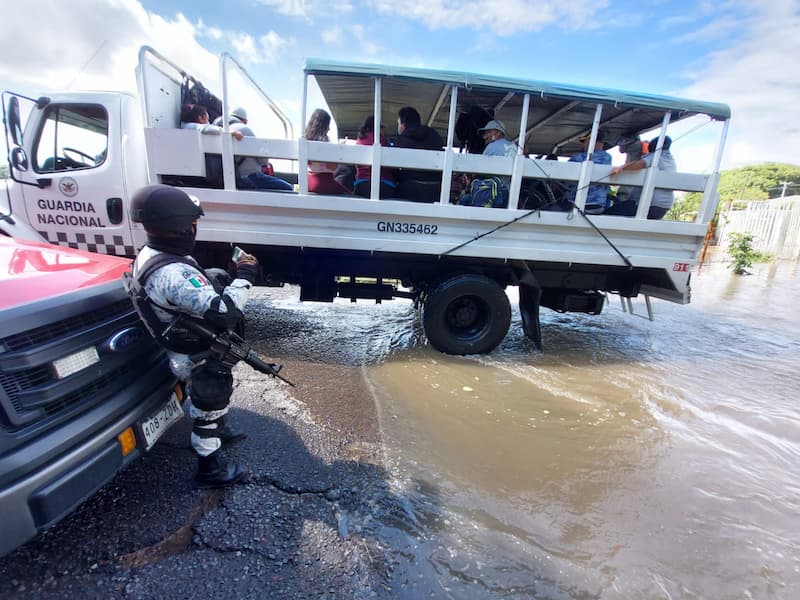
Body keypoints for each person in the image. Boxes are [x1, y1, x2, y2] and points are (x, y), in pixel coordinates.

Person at [126, 184, 258, 488]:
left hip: (182, 343)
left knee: (216, 398)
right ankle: (209, 470)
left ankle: (218, 431)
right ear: (180, 226)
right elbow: (226, 311)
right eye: (192, 223)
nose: (194, 228)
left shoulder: (152, 254)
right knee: (209, 405)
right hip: (196, 355)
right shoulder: (175, 274)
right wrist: (246, 275)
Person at [226, 106, 293, 192]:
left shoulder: (222, 129)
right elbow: (263, 161)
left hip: (228, 179)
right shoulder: (245, 129)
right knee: (288, 188)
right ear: (245, 121)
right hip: (249, 178)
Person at [609, 135, 676, 219]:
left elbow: (641, 164)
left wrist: (621, 168)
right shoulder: (669, 158)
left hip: (650, 205)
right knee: (621, 207)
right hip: (662, 206)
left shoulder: (656, 156)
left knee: (610, 212)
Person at [394, 106, 444, 203]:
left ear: (403, 123)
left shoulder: (401, 141)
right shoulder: (434, 135)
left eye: (398, 123)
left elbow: (394, 171)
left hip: (410, 190)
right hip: (436, 189)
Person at [304, 108, 352, 195]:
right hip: (324, 182)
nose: (329, 129)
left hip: (308, 181)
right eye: (328, 125)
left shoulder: (305, 140)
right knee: (349, 195)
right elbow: (332, 167)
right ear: (324, 126)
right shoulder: (325, 143)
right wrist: (339, 149)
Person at [568, 130, 612, 214]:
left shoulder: (578, 157)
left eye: (585, 141)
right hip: (599, 206)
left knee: (551, 208)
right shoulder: (608, 158)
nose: (584, 144)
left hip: (575, 205)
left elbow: (564, 176)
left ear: (592, 142)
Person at [353, 115, 397, 199]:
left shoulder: (359, 142)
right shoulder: (384, 141)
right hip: (385, 186)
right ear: (378, 128)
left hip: (362, 185)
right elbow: (392, 166)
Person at [605, 135, 646, 216]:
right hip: (631, 195)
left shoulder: (635, 148)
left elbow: (622, 152)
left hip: (629, 196)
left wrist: (620, 169)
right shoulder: (641, 148)